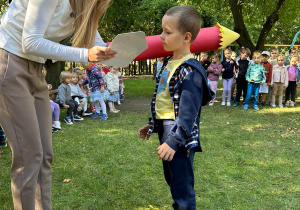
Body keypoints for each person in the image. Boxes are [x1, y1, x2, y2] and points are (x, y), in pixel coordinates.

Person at [0, 0, 117, 208]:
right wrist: (84, 54)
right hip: (8, 62)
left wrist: (115, 51)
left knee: (44, 155)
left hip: (36, 69)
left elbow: (96, 44)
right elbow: (31, 41)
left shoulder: (84, 7)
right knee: (29, 156)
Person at [138, 5, 214, 209]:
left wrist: (174, 141)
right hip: (165, 128)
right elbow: (164, 100)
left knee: (182, 187)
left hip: (178, 133)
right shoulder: (168, 63)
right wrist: (152, 124)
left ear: (186, 37)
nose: (161, 36)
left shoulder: (190, 71)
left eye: (167, 32)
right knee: (173, 180)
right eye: (162, 30)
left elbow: (188, 114)